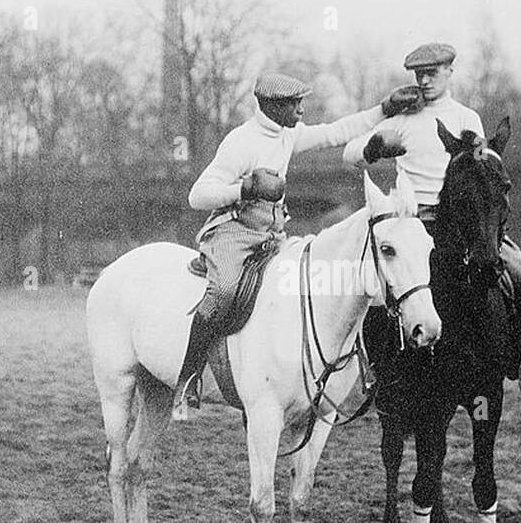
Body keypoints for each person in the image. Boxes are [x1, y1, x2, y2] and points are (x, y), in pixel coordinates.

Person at [177, 72, 422, 406]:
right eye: (294, 104)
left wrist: (385, 109)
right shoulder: (241, 141)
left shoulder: (286, 134)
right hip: (234, 233)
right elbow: (197, 196)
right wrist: (245, 188)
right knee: (224, 290)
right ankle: (188, 378)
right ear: (272, 106)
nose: (301, 110)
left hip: (271, 235)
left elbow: (335, 132)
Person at [344, 42, 521, 389]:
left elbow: (482, 169)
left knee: (515, 267)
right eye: (419, 75)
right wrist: (373, 147)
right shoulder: (401, 120)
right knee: (376, 282)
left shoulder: (467, 118)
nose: (424, 81)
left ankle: (520, 356)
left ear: (449, 73)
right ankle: (374, 366)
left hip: (461, 222)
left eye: (432, 73)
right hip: (413, 222)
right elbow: (350, 154)